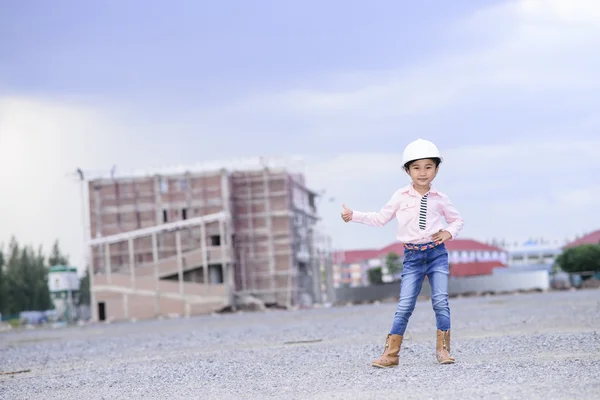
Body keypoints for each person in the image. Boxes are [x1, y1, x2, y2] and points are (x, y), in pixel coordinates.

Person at [340, 138, 464, 368]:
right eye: (416, 167)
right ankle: (391, 354)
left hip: (437, 254)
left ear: (436, 169)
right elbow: (379, 219)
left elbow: (457, 220)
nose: (422, 173)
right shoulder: (400, 197)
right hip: (412, 258)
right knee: (405, 304)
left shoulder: (441, 199)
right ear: (407, 170)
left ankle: (443, 350)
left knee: (440, 301)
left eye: (428, 167)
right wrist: (354, 215)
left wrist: (449, 232)